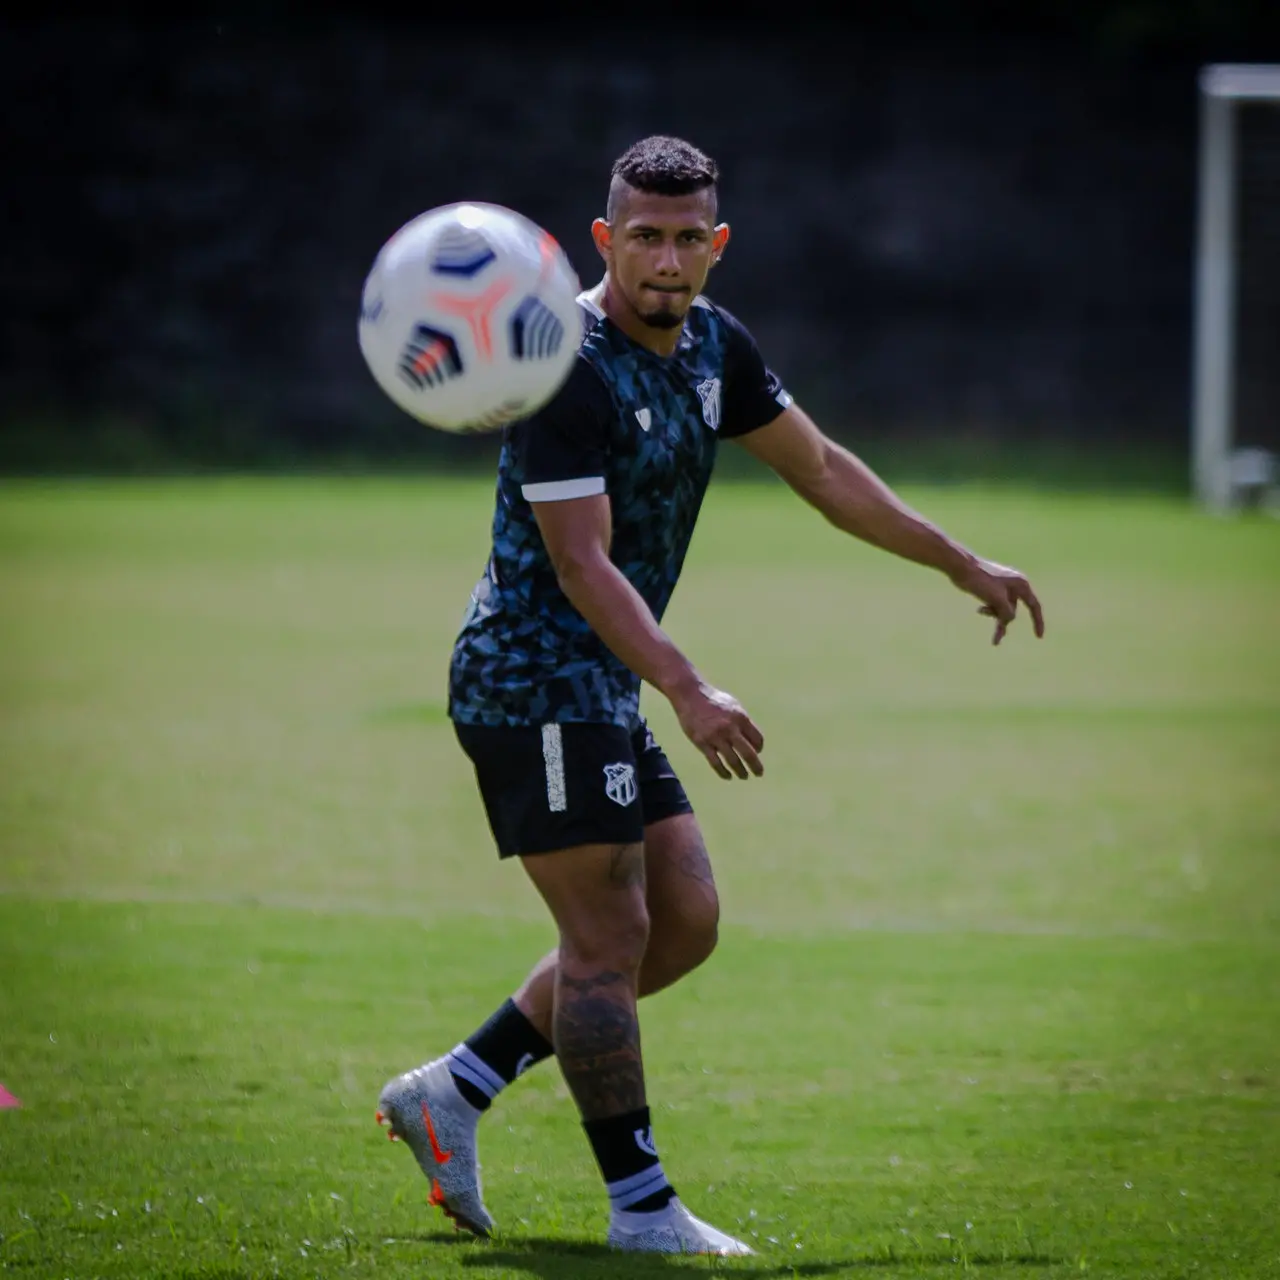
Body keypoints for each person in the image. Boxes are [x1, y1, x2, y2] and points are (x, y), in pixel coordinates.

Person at [376, 135, 1045, 1256]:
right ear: (603, 239)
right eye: (644, 236)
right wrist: (685, 685)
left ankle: (455, 1083)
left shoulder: (712, 349)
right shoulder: (561, 368)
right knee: (605, 934)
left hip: (600, 677)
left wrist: (958, 560)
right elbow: (583, 564)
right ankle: (641, 1208)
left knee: (680, 924)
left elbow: (821, 470)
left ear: (717, 244)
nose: (667, 261)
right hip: (531, 675)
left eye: (689, 239)